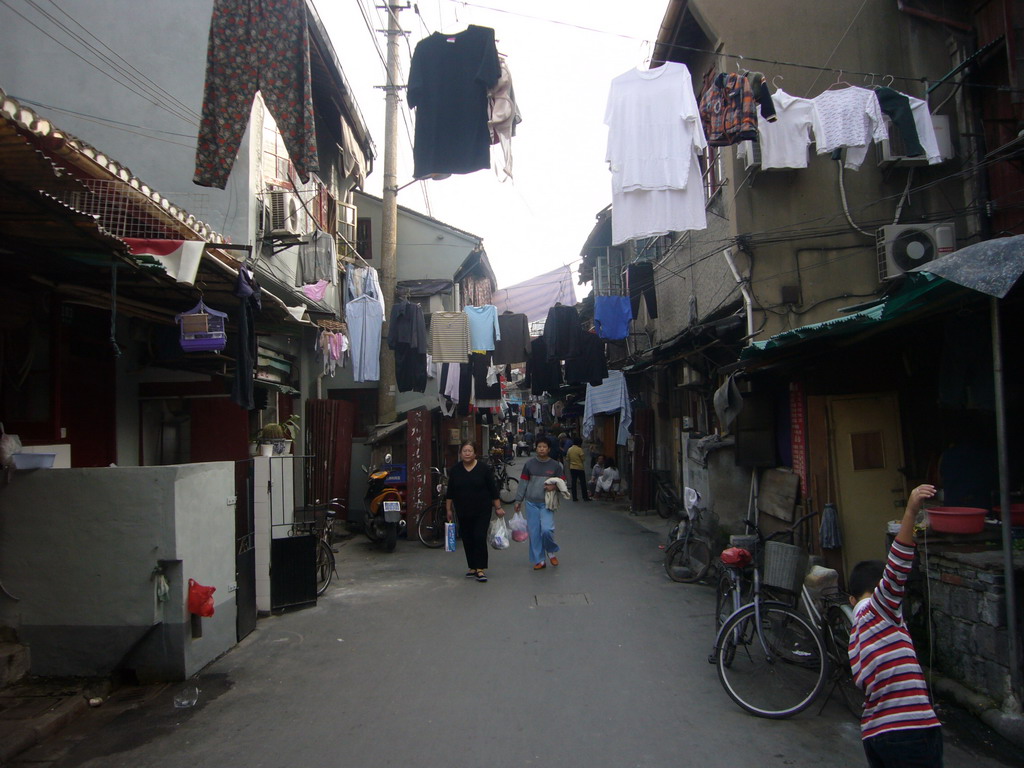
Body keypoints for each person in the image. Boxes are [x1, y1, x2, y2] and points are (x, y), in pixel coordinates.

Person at [848, 483, 943, 768]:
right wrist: (911, 510)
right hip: (909, 730)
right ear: (880, 590)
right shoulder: (880, 609)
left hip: (874, 734)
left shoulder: (855, 636)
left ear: (851, 598)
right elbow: (899, 564)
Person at [445, 442, 503, 583]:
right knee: (467, 537)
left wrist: (498, 507)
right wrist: (448, 509)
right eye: (464, 451)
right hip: (463, 509)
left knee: (479, 536)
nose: (467, 453)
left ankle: (480, 568)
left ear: (475, 453)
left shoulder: (483, 469)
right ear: (460, 454)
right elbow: (450, 491)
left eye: (470, 451)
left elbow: (492, 489)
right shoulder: (456, 470)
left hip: (482, 509)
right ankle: (472, 566)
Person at [513, 436, 563, 570]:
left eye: (544, 447)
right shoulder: (529, 464)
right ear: (536, 448)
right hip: (531, 503)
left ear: (549, 449)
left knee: (547, 530)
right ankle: (540, 560)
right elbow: (523, 483)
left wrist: (554, 487)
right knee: (534, 533)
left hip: (547, 503)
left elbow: (563, 483)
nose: (541, 449)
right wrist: (518, 500)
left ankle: (551, 551)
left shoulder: (555, 466)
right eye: (539, 446)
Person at [566, 436, 589, 502]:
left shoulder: (569, 449)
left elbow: (567, 458)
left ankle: (574, 497)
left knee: (574, 482)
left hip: (572, 467)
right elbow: (583, 459)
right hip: (580, 467)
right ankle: (585, 497)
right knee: (582, 483)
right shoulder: (579, 449)